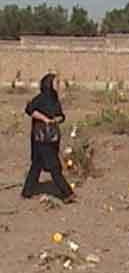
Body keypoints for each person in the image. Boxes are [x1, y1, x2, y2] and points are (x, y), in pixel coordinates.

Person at [21, 73, 76, 203]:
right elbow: (30, 110)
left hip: (52, 137)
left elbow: (61, 115)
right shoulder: (40, 99)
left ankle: (27, 191)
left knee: (37, 164)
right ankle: (67, 193)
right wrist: (45, 119)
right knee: (54, 167)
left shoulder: (54, 99)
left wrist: (57, 119)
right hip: (42, 138)